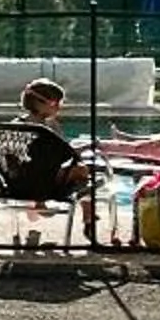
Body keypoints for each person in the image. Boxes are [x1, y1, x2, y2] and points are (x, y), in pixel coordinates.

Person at [10, 77, 102, 248]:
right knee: (85, 171)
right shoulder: (47, 129)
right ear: (39, 103)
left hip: (16, 183)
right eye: (55, 103)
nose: (59, 108)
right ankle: (88, 218)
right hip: (45, 182)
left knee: (78, 171)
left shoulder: (15, 125)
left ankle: (40, 203)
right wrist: (87, 146)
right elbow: (66, 154)